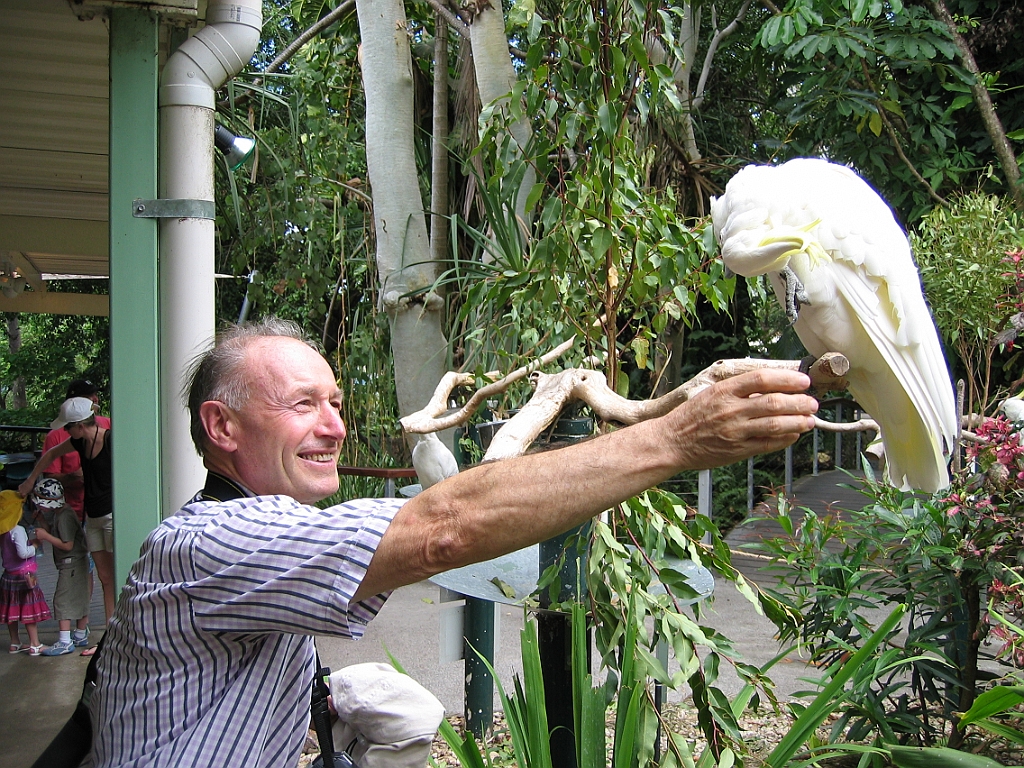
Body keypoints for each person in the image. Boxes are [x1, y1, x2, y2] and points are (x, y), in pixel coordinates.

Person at [85, 317, 818, 767]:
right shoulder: (212, 542)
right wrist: (677, 439)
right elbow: (443, 529)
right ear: (222, 427)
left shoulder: (256, 540)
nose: (335, 427)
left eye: (335, 403)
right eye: (303, 404)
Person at [19, 398, 114, 626]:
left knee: (118, 574)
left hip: (112, 516)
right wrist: (31, 481)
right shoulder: (80, 442)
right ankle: (110, 630)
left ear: (80, 426)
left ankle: (124, 629)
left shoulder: (110, 440)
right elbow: (51, 455)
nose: (66, 432)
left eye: (68, 427)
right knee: (105, 578)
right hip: (93, 518)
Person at [30, 478, 91, 656]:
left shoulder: (64, 517)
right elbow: (57, 534)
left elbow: (67, 545)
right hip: (77, 563)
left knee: (62, 600)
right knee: (80, 598)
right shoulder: (62, 513)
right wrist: (43, 522)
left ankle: (65, 641)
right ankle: (80, 634)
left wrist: (45, 536)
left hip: (71, 564)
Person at [41, 379, 111, 523]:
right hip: (70, 511)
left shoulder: (109, 426)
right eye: (89, 397)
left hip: (106, 510)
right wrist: (73, 476)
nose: (95, 399)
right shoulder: (56, 436)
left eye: (95, 395)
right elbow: (50, 477)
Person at [0, 490, 51, 656]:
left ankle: (15, 642)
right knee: (29, 611)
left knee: (11, 610)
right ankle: (35, 644)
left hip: (8, 575)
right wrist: (34, 546)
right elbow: (23, 553)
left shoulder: (3, 530)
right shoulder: (18, 530)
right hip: (25, 577)